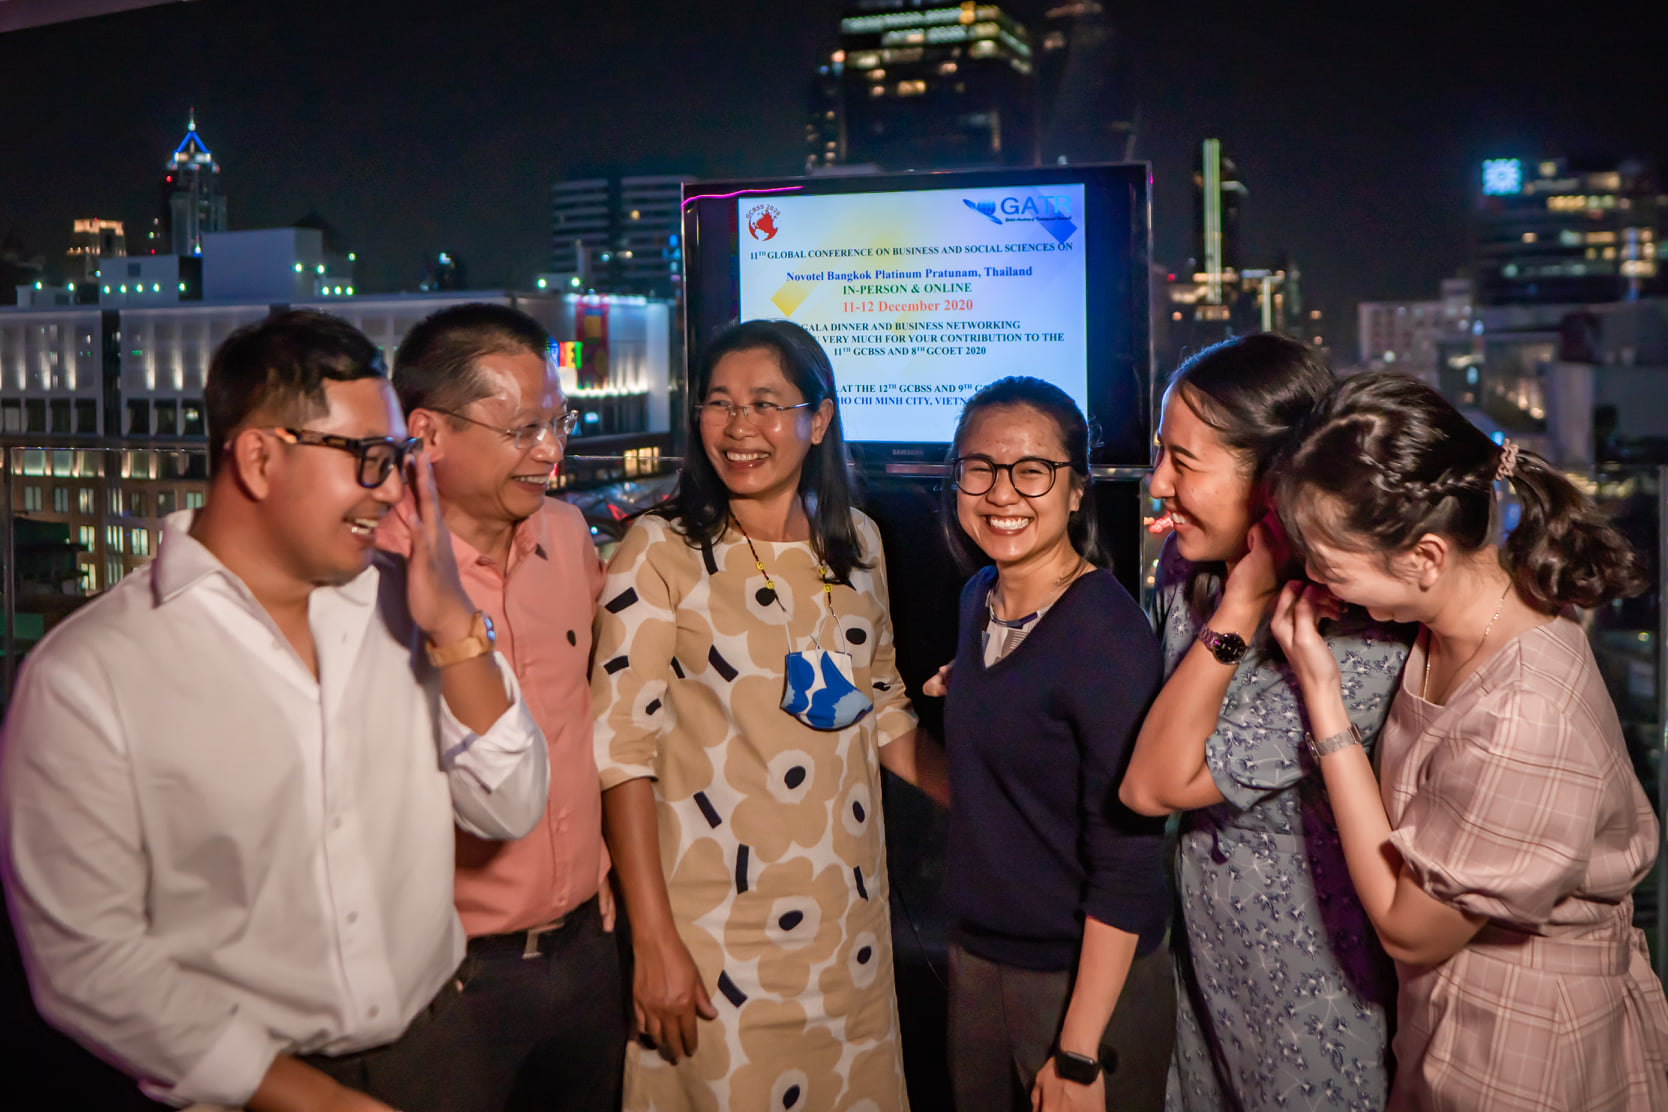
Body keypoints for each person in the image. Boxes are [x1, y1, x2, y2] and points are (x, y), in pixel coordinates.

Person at [0, 310, 549, 1112]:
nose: (392, 489)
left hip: (440, 1055)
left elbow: (511, 805)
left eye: (397, 459)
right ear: (259, 457)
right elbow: (87, 959)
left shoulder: (411, 611)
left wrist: (456, 628)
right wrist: (315, 1100)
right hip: (242, 1090)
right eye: (367, 458)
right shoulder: (88, 676)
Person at [1267, 371, 1668, 1111]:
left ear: (1424, 558)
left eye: (1328, 561)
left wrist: (1322, 699)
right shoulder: (1460, 613)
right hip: (1447, 1013)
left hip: (1526, 1039)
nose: (1315, 577)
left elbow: (1409, 929)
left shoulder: (1524, 713)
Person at [591, 318, 948, 1111]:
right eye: (720, 404)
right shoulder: (659, 549)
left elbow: (882, 706)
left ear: (818, 421)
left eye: (765, 403)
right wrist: (653, 939)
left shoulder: (857, 543)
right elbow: (618, 750)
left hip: (848, 934)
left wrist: (985, 800)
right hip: (714, 938)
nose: (739, 426)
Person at [1117, 334, 1408, 1111]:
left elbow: (1153, 785)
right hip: (1205, 984)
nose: (1157, 483)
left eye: (1183, 462)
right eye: (1159, 454)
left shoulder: (1358, 634)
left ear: (1274, 477)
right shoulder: (1187, 571)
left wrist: (1244, 604)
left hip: (1319, 1007)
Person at [378, 303, 625, 1111]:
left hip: (588, 948)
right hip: (448, 978)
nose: (551, 451)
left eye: (559, 423)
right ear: (429, 433)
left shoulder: (568, 534)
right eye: (523, 430)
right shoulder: (372, 568)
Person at [931, 377, 1170, 1112]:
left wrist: (1078, 1053)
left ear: (1075, 490)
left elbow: (1129, 858)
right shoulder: (978, 599)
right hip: (978, 957)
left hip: (1079, 982)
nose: (1002, 492)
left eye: (1032, 470)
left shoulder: (1106, 633)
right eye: (980, 467)